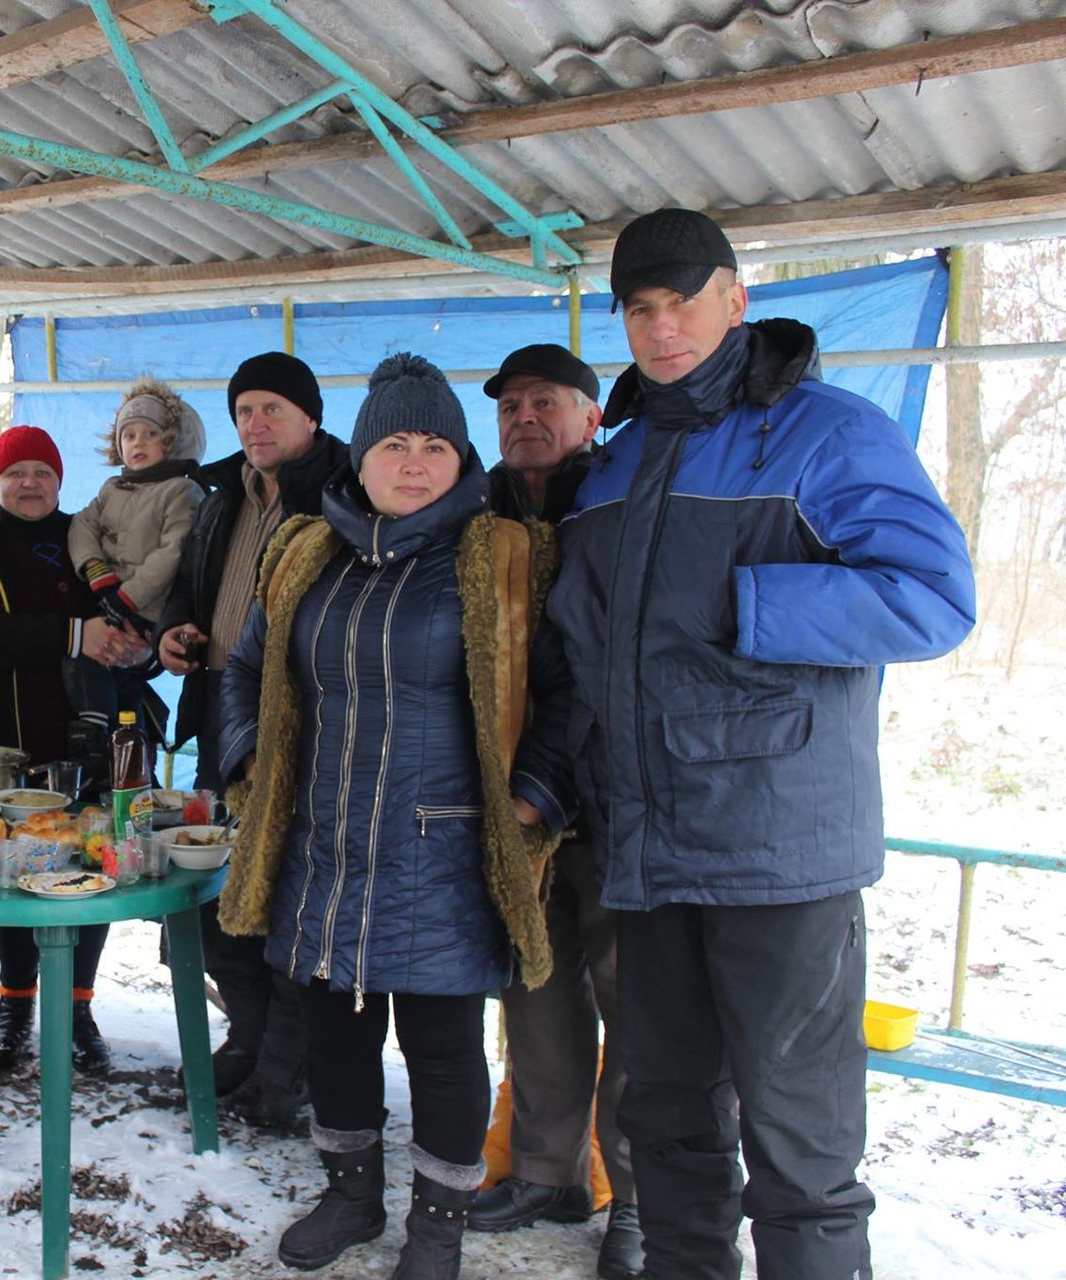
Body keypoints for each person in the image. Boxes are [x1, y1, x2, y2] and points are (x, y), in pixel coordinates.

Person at [546, 207, 976, 1280]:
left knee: (799, 1141)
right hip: (650, 851)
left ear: (736, 300)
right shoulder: (615, 464)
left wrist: (750, 605)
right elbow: (586, 651)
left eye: (683, 301)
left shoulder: (828, 434)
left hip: (780, 851)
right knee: (669, 1120)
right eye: (639, 308)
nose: (662, 327)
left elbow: (934, 597)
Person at [219, 354, 573, 1280]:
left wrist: (533, 798)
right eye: (393, 445)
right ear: (360, 457)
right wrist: (249, 761)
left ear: (461, 459)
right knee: (336, 1036)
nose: (413, 464)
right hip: (322, 842)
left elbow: (567, 694)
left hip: (443, 850)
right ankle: (351, 1196)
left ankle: (438, 1227)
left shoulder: (505, 557)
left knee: (444, 1050)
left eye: (434, 447)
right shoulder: (304, 552)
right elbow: (246, 669)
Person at [468, 344, 643, 1280]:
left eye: (547, 402)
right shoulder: (478, 510)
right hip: (514, 804)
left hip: (615, 795)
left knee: (636, 1003)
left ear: (591, 416)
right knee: (535, 992)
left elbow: (601, 660)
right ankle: (547, 1174)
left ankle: (640, 1200)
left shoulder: (618, 501)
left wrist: (546, 780)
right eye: (510, 406)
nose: (525, 417)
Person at [153, 350, 348, 1129]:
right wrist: (175, 628)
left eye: (273, 409)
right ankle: (251, 1035)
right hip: (218, 722)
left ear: (310, 417)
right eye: (244, 411)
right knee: (219, 893)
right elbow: (189, 585)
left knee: (290, 900)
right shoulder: (219, 494)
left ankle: (288, 1065)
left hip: (303, 729)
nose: (256, 424)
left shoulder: (343, 492)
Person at [0, 426, 150, 1075]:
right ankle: (14, 1004)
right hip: (3, 736)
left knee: (92, 863)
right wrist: (75, 635)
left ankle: (79, 1007)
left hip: (91, 733)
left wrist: (138, 646)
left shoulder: (88, 535)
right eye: (15, 473)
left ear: (60, 481)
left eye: (42, 472)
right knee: (11, 870)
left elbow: (132, 608)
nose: (29, 483)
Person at [66, 376, 204, 746]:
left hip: (148, 606)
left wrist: (127, 596)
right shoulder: (112, 489)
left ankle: (119, 732)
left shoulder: (182, 491)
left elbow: (172, 553)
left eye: (150, 434)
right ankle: (102, 727)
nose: (138, 442)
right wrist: (98, 575)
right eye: (128, 435)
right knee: (89, 650)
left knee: (112, 656)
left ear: (171, 440)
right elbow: (82, 526)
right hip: (107, 596)